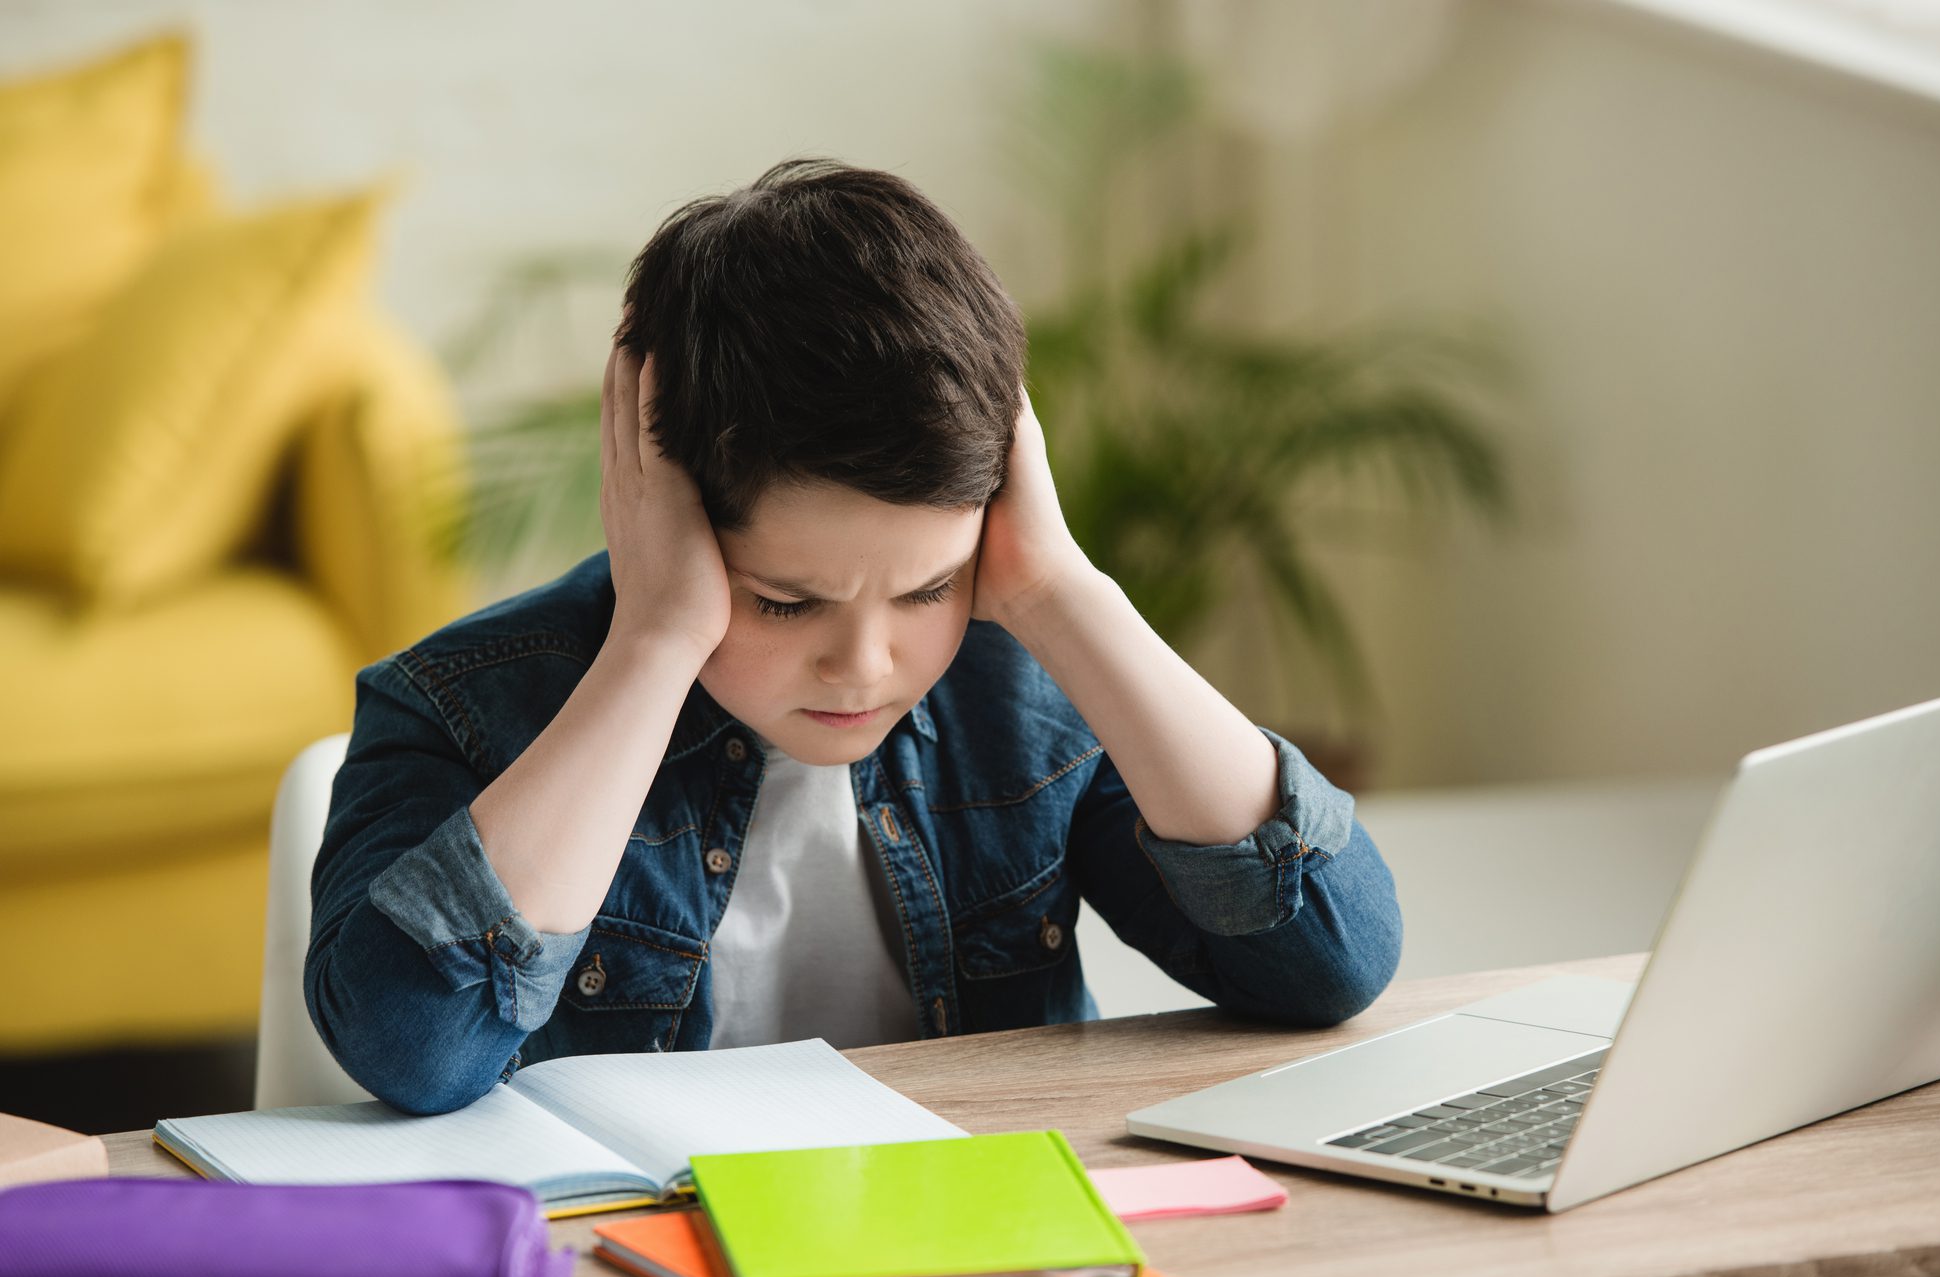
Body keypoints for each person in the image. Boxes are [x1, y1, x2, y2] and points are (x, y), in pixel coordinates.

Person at [306, 159, 1401, 1115]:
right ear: (654, 502)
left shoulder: (1023, 695)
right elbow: (411, 1048)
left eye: (926, 588)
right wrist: (654, 643)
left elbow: (1329, 964)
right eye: (785, 601)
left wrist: (1062, 589)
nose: (866, 666)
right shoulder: (454, 705)